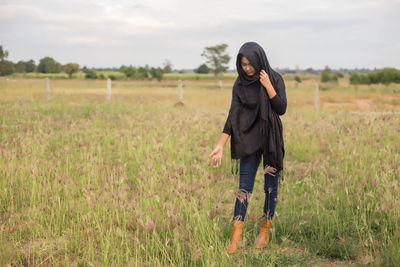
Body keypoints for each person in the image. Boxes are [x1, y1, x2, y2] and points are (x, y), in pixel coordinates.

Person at [208, 42, 287, 254]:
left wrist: (268, 86)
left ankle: (265, 230)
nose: (247, 69)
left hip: (270, 138)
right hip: (248, 138)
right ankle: (236, 235)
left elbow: (281, 108)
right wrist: (220, 145)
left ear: (260, 61)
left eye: (251, 64)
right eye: (243, 64)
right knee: (244, 187)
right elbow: (233, 115)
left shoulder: (275, 78)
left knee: (270, 186)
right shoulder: (240, 84)